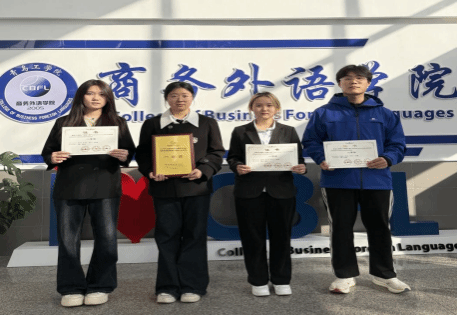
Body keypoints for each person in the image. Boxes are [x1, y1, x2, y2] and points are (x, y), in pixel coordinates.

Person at [302, 64, 411, 294]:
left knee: (380, 228)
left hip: (377, 180)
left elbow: (397, 144)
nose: (354, 81)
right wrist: (321, 158)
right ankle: (344, 276)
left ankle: (384, 275)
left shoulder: (385, 114)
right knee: (340, 228)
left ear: (368, 83)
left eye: (359, 78)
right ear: (339, 83)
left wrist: (387, 158)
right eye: (347, 78)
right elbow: (311, 141)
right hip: (337, 180)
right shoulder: (324, 113)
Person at [41, 80, 135, 307]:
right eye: (90, 93)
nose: (95, 98)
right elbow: (48, 151)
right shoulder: (64, 122)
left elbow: (129, 151)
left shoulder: (117, 123)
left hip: (105, 187)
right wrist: (52, 157)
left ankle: (100, 286)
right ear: (81, 97)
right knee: (67, 240)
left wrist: (125, 156)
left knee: (107, 239)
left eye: (101, 94)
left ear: (108, 99)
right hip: (69, 187)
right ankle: (70, 288)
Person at [136, 81, 225, 304]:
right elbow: (143, 154)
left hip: (196, 188)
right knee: (166, 236)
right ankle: (167, 287)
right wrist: (150, 171)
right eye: (174, 95)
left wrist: (203, 170)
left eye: (185, 95)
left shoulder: (207, 123)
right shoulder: (153, 123)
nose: (180, 100)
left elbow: (216, 153)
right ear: (167, 98)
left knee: (195, 236)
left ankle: (193, 286)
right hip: (164, 188)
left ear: (192, 98)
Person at [227, 92, 306, 297]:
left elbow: (298, 158)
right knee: (252, 238)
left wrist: (301, 168)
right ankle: (258, 280)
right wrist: (237, 166)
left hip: (281, 191)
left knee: (282, 237)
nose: (264, 109)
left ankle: (281, 280)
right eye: (259, 105)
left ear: (277, 108)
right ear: (251, 108)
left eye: (269, 105)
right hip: (249, 191)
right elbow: (233, 157)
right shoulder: (240, 131)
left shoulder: (288, 131)